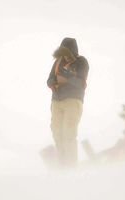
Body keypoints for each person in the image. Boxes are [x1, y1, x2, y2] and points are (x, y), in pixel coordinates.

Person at [46, 37, 89, 165]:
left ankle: (71, 166)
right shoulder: (58, 61)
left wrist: (65, 76)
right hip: (56, 102)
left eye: (66, 51)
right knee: (57, 133)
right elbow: (49, 80)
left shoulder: (82, 62)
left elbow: (81, 83)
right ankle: (62, 166)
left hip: (73, 101)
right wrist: (57, 81)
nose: (64, 55)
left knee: (68, 134)